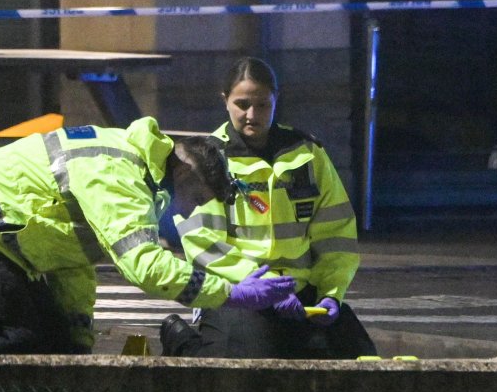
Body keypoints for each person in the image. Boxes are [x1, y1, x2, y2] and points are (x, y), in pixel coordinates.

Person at [0, 117, 296, 354]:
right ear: (182, 169)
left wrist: (76, 335)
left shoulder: (133, 169)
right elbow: (143, 265)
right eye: (196, 196)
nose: (192, 209)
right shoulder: (122, 174)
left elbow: (75, 256)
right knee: (19, 339)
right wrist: (229, 293)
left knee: (52, 341)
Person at [160, 57, 377, 359]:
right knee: (245, 370)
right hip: (239, 291)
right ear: (225, 101)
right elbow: (203, 244)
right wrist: (262, 284)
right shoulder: (208, 158)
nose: (251, 114)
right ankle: (180, 340)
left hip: (300, 293)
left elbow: (336, 235)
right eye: (242, 104)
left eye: (262, 105)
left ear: (277, 100)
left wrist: (332, 294)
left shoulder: (307, 154)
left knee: (361, 359)